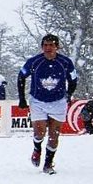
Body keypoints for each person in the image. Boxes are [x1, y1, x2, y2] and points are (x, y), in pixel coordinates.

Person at [17, 33, 78, 175]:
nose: (48, 48)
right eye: (45, 45)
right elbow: (21, 76)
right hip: (38, 101)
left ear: (57, 47)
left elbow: (73, 80)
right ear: (42, 47)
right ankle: (37, 148)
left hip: (58, 101)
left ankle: (48, 164)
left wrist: (68, 95)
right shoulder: (34, 62)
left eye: (51, 45)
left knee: (54, 135)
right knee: (39, 132)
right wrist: (22, 98)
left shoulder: (66, 62)